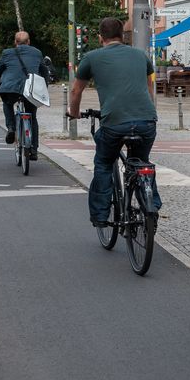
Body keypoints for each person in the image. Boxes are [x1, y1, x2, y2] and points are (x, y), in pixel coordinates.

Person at [68, 17, 161, 229]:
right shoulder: (140, 55)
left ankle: (101, 215)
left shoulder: (91, 57)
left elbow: (76, 90)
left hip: (114, 123)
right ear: (122, 35)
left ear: (100, 36)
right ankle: (150, 207)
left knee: (103, 162)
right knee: (141, 162)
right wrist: (149, 113)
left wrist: (74, 114)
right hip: (146, 120)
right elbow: (149, 89)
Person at [0, 32, 51, 156]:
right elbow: (44, 71)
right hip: (30, 90)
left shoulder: (7, 53)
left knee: (7, 103)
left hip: (10, 88)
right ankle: (34, 150)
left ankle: (11, 127)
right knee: (32, 116)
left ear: (15, 42)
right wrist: (44, 87)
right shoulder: (37, 52)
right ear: (29, 41)